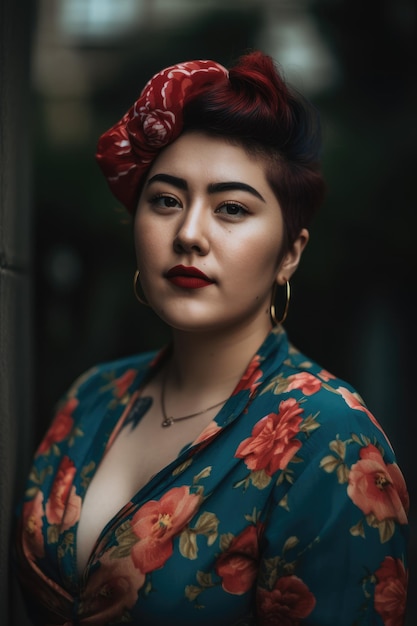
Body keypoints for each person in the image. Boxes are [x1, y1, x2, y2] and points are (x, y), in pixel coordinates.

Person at [13, 51, 409, 626]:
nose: (190, 234)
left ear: (289, 253)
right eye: (167, 201)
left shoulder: (331, 436)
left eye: (230, 208)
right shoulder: (91, 398)